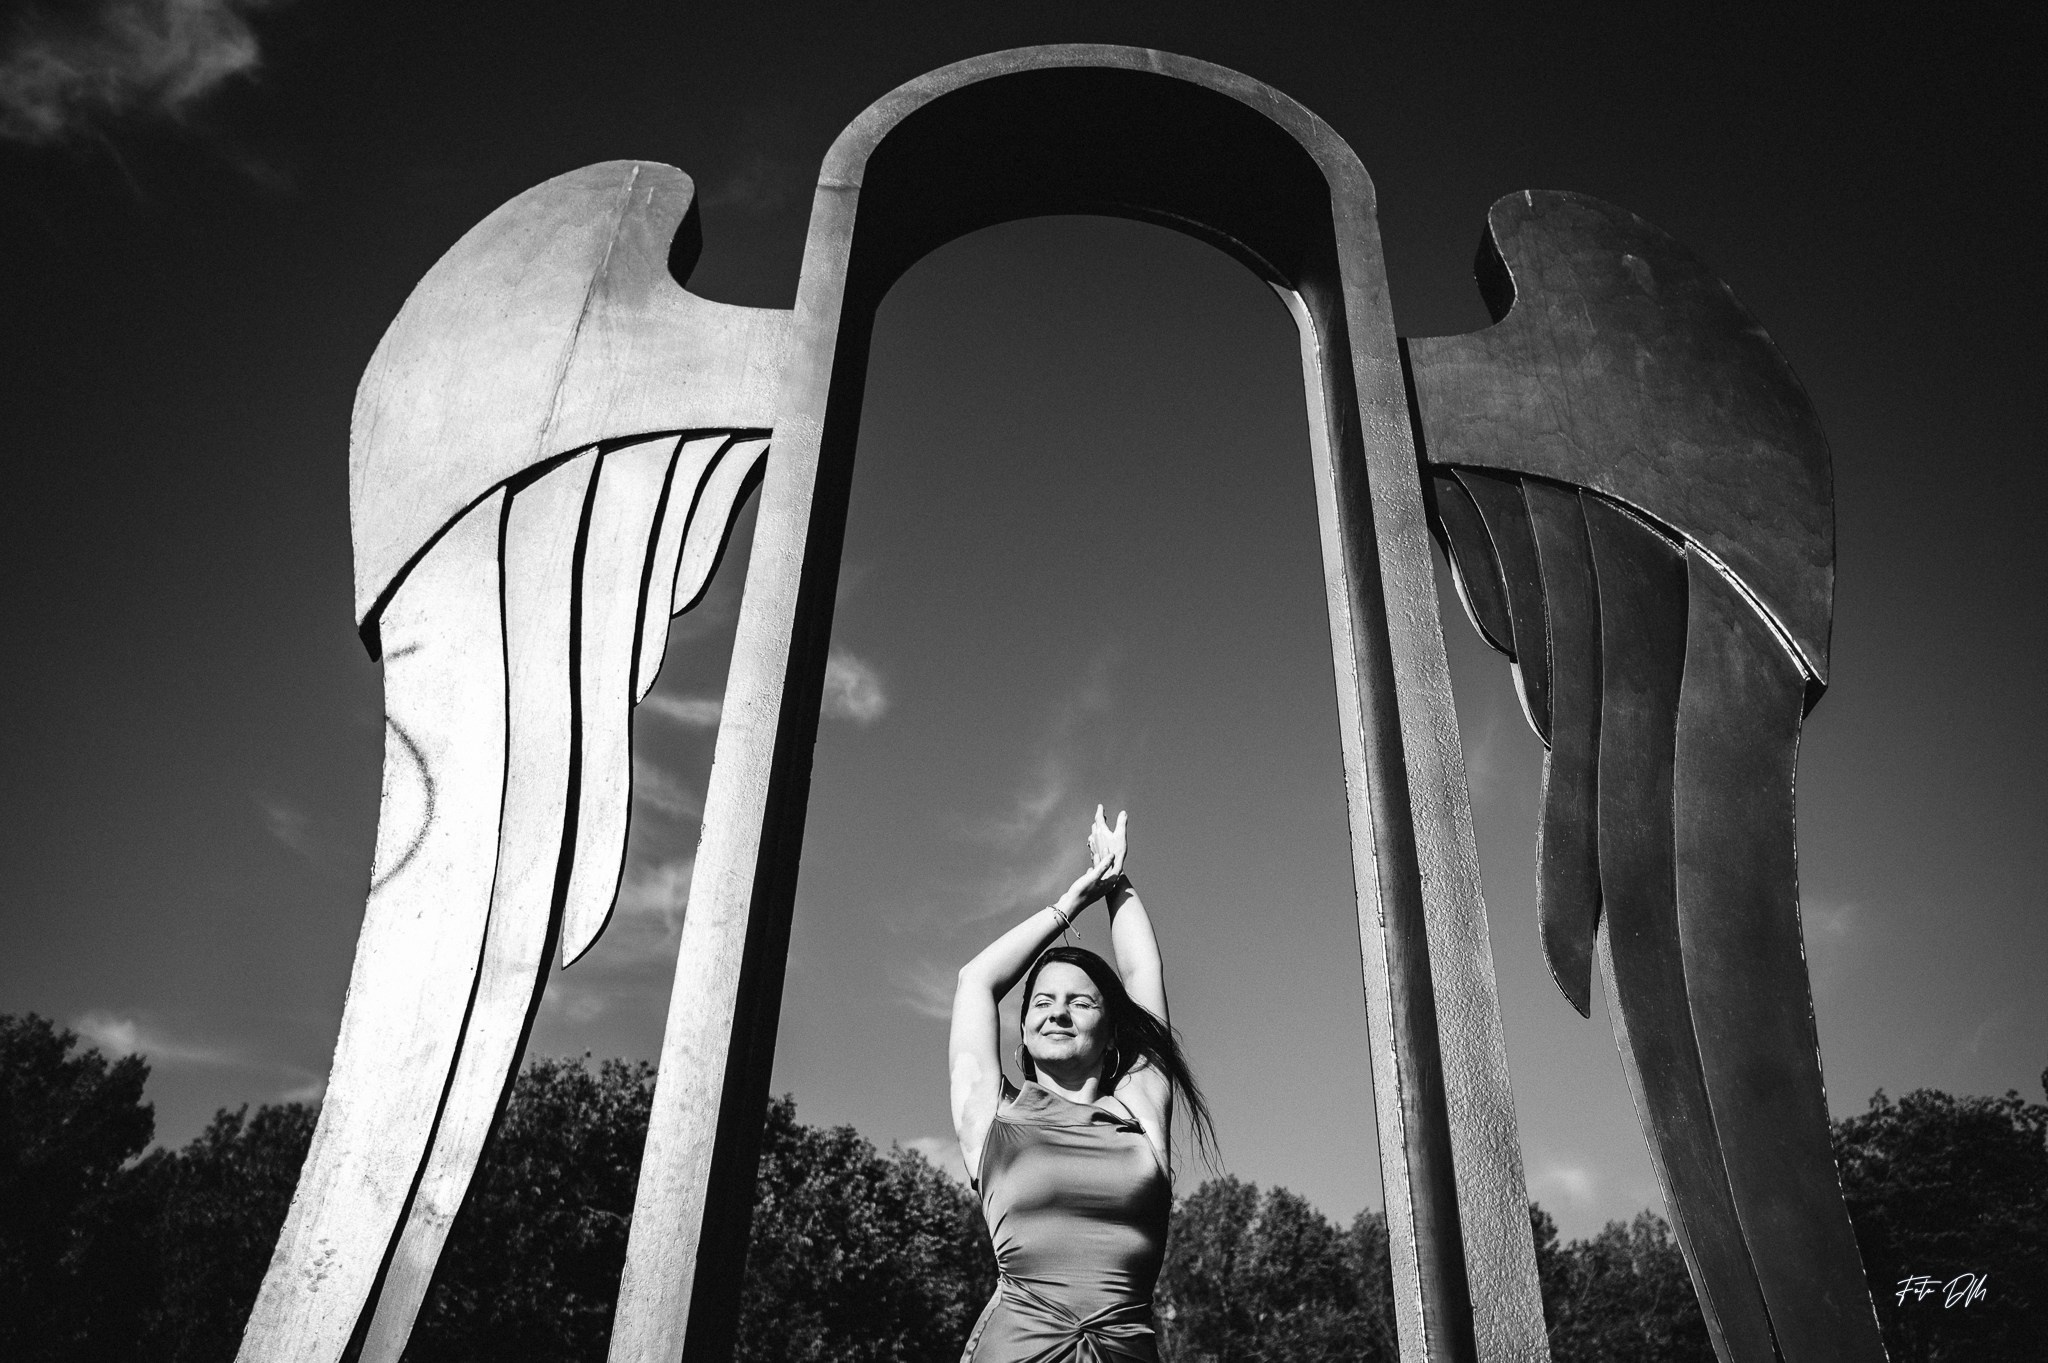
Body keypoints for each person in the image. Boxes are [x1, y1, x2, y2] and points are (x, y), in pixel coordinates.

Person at [949, 806, 1216, 1362]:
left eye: (1080, 1002)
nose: (1058, 1013)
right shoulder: (995, 1121)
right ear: (1021, 1034)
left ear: (1112, 1031)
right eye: (1042, 1003)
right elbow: (976, 980)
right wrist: (1072, 902)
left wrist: (1116, 881)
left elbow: (1143, 977)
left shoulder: (1140, 1112)